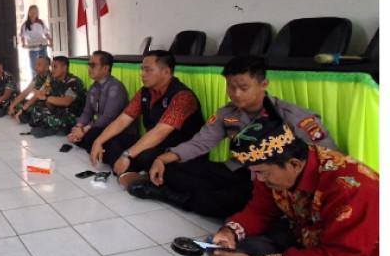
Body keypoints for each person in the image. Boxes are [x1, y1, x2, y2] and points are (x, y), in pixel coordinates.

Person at [132, 56, 338, 218]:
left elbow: (327, 157)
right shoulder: (227, 114)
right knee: (171, 168)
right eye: (231, 87)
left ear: (263, 84)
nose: (236, 93)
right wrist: (163, 159)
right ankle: (190, 192)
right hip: (236, 169)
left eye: (244, 87)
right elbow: (201, 142)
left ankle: (173, 196)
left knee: (227, 200)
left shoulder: (293, 116)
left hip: (269, 180)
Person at [208, 118, 378, 256]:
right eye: (255, 173)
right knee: (243, 242)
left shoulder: (351, 187)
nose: (260, 179)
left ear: (294, 164)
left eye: (263, 173)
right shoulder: (276, 168)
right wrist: (229, 232)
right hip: (309, 238)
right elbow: (260, 210)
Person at [89, 51, 204, 187]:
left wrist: (127, 155)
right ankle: (132, 173)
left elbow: (160, 132)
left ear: (166, 72)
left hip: (178, 149)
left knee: (146, 156)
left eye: (148, 70)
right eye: (142, 69)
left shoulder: (182, 96)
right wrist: (98, 141)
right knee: (111, 141)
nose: (142, 74)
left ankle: (135, 173)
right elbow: (123, 119)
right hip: (154, 142)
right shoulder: (145, 92)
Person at [66, 51, 130, 153]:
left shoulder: (115, 87)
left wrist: (84, 130)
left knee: (91, 135)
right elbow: (87, 112)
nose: (89, 68)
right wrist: (78, 127)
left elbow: (108, 117)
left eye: (93, 65)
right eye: (89, 65)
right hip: (98, 124)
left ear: (105, 68)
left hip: (116, 129)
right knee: (71, 126)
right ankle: (80, 137)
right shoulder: (93, 87)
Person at [26, 56, 87, 138]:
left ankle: (54, 128)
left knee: (58, 118)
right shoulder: (53, 80)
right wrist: (42, 97)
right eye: (52, 67)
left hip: (74, 114)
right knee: (37, 109)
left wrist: (46, 98)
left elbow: (66, 101)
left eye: (55, 67)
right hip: (59, 110)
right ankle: (52, 126)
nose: (52, 70)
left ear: (64, 68)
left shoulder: (73, 81)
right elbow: (43, 94)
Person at [10, 55, 52, 123]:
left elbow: (37, 96)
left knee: (36, 109)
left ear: (47, 67)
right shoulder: (37, 77)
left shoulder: (50, 78)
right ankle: (25, 115)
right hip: (37, 101)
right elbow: (26, 91)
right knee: (15, 102)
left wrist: (22, 110)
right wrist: (12, 106)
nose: (35, 67)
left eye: (39, 65)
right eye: (36, 64)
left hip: (47, 104)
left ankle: (26, 115)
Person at [18, 5, 52, 74]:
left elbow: (46, 33)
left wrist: (51, 41)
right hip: (32, 48)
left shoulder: (40, 22)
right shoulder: (24, 25)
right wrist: (23, 44)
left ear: (37, 13)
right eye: (31, 12)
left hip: (42, 46)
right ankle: (36, 80)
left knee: (45, 65)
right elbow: (22, 36)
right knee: (34, 67)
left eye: (35, 12)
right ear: (28, 13)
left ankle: (47, 79)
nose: (33, 14)